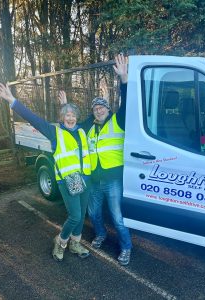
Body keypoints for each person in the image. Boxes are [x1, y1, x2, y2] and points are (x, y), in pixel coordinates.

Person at [0, 84, 91, 262]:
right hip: (67, 180)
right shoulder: (54, 132)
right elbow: (33, 118)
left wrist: (105, 95)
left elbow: (95, 116)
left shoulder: (82, 130)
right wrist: (12, 101)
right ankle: (61, 241)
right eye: (67, 115)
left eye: (73, 115)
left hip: (85, 179)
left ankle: (75, 243)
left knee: (82, 213)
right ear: (62, 118)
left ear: (77, 118)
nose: (70, 118)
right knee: (75, 215)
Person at [59, 54, 132, 265]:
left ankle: (126, 247)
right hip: (93, 181)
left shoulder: (117, 122)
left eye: (102, 107)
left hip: (112, 180)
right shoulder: (88, 128)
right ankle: (100, 235)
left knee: (117, 217)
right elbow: (70, 125)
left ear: (108, 109)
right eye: (95, 109)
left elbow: (126, 102)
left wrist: (123, 78)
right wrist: (65, 105)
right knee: (94, 214)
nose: (98, 110)